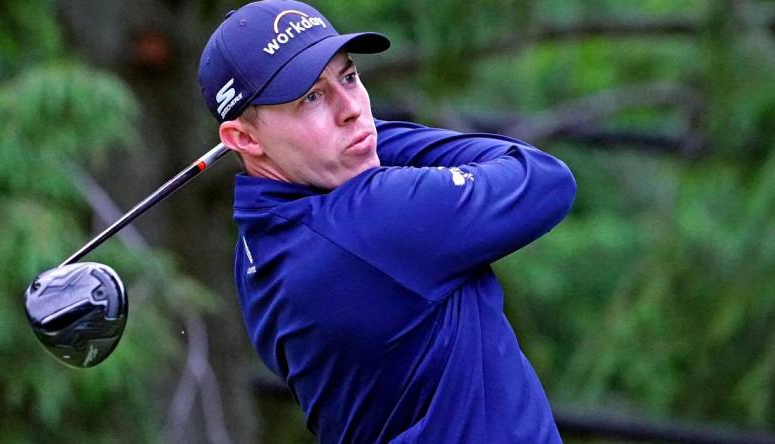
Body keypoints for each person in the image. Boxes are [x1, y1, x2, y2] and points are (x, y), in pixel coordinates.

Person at [198, 1, 576, 442]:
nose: (353, 109)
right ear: (243, 138)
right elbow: (545, 179)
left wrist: (350, 136)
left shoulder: (257, 252)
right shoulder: (376, 220)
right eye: (312, 97)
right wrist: (365, 135)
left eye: (350, 77)